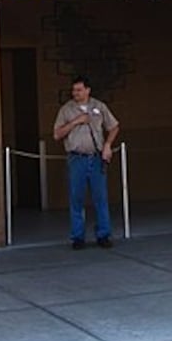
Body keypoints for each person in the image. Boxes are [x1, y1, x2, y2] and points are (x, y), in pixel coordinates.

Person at [53, 74, 120, 250]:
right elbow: (57, 134)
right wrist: (76, 122)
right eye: (74, 90)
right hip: (77, 158)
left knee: (100, 198)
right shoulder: (66, 110)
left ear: (88, 90)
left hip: (96, 157)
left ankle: (103, 234)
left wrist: (107, 145)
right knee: (76, 198)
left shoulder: (99, 107)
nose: (76, 93)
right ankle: (77, 237)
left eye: (79, 90)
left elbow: (113, 126)